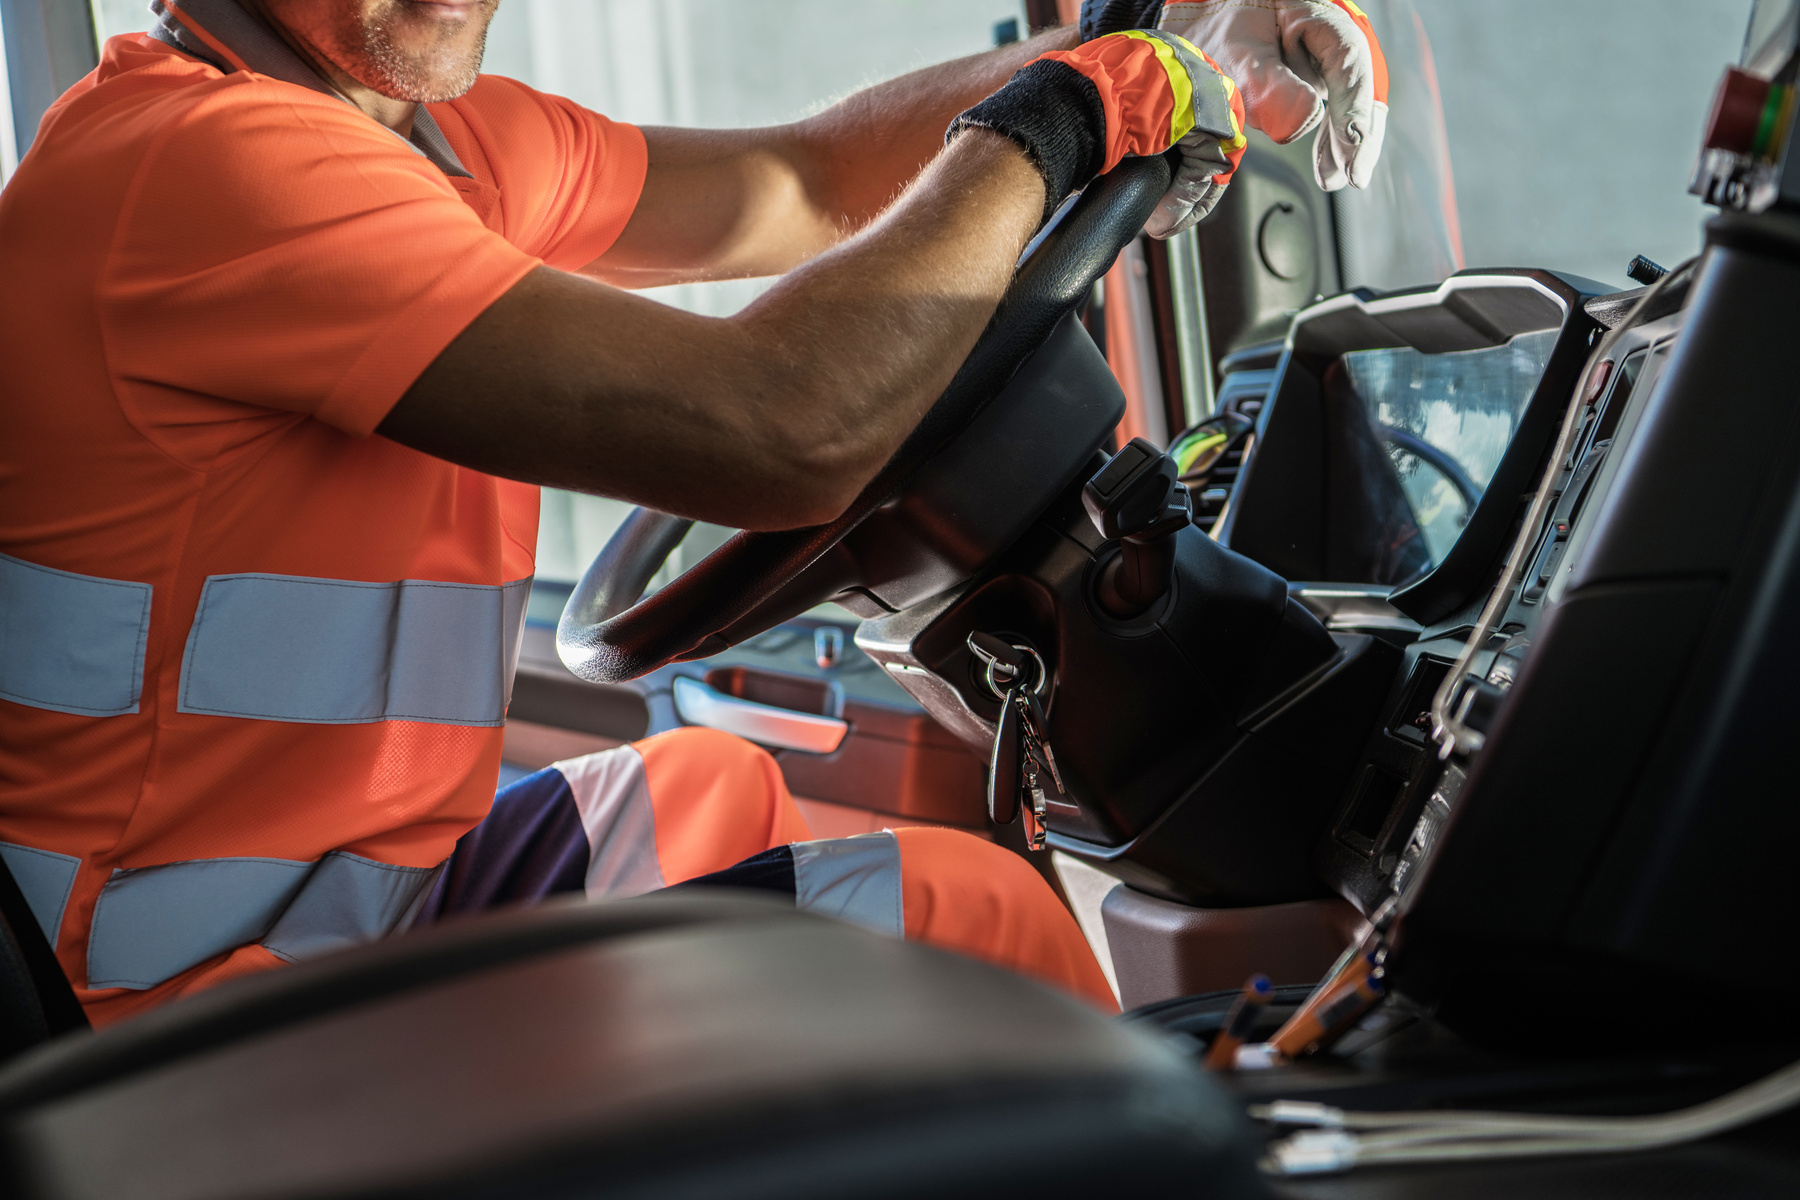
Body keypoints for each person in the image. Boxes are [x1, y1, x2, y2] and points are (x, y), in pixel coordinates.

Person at [0, 0, 1381, 1028]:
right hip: (180, 1017)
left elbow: (809, 183)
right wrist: (1078, 117)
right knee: (970, 920)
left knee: (709, 785)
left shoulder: (422, 142)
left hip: (349, 900)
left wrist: (1174, 62)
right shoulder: (204, 170)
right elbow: (781, 429)